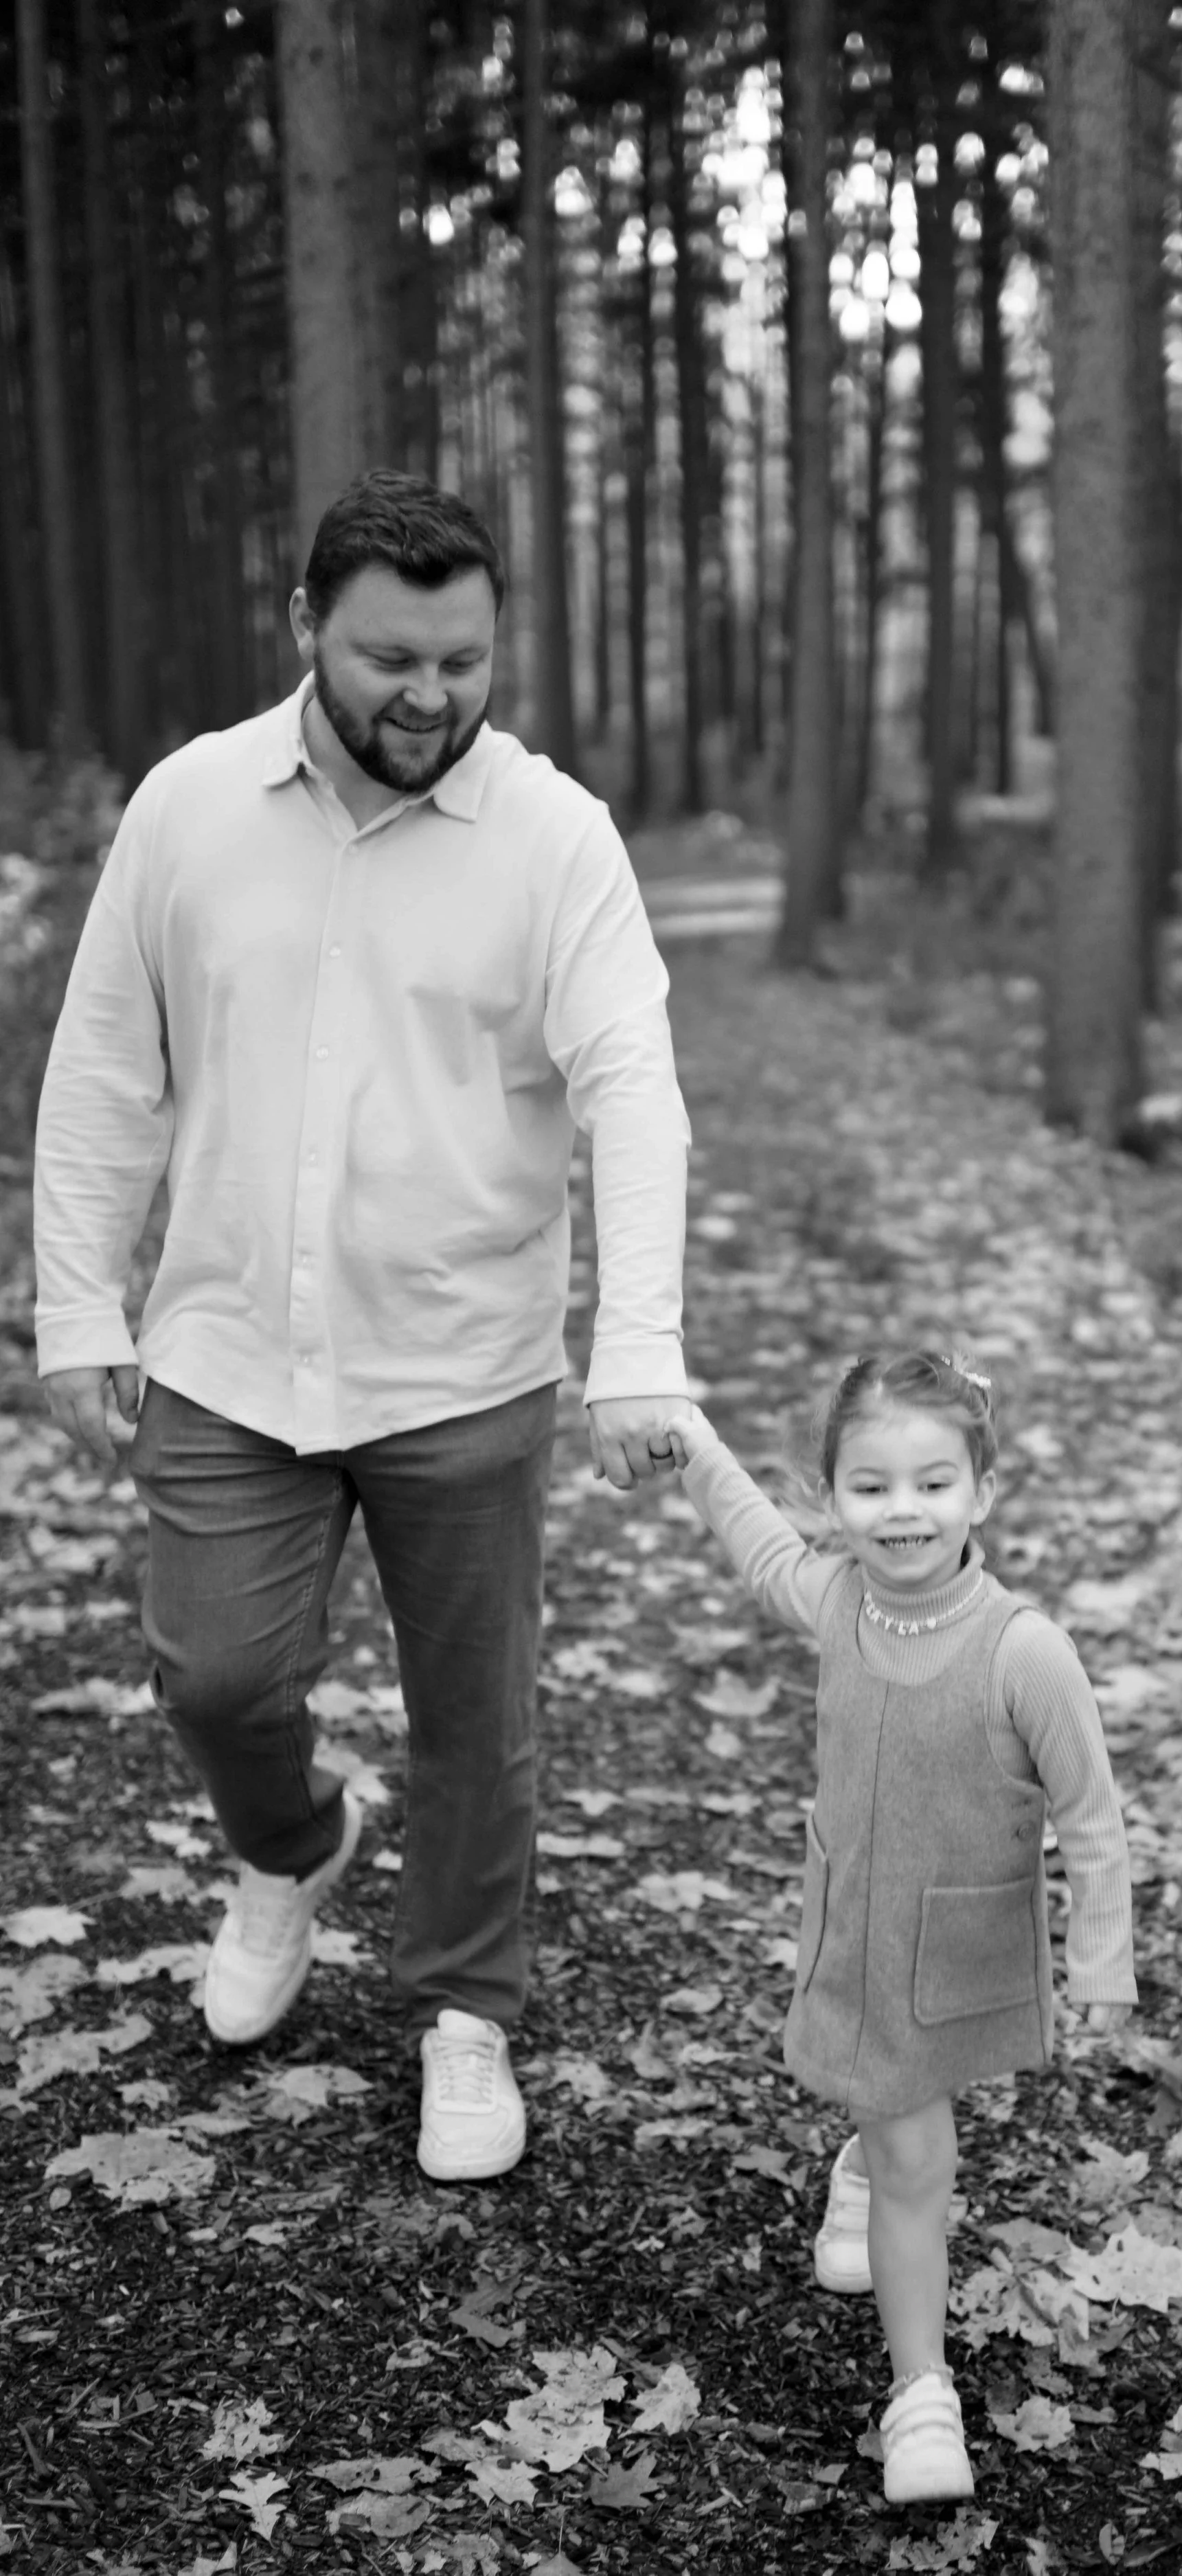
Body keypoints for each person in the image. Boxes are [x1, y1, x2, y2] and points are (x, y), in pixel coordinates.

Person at [32, 469, 692, 2184]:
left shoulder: (554, 836)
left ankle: (464, 2009)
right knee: (215, 1674)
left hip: (462, 1359)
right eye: (392, 659)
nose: (430, 697)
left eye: (463, 662)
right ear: (305, 627)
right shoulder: (188, 809)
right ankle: (292, 1849)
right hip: (229, 1348)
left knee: (474, 1717)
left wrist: (638, 1345)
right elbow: (106, 1062)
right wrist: (79, 1304)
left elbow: (633, 1088)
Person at [663, 1351, 1136, 2507]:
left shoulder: (1024, 1650)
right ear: (834, 1497)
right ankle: (922, 2392)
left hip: (960, 1949)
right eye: (870, 1486)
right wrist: (693, 1441)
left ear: (983, 1490)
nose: (902, 1510)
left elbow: (1092, 1814)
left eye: (933, 1482)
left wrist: (1102, 1965)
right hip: (856, 1940)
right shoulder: (838, 1599)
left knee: (909, 2110)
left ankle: (866, 2161)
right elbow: (758, 1542)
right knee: (921, 2156)